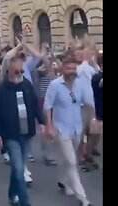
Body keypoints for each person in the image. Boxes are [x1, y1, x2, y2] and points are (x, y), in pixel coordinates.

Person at [0, 54, 46, 206]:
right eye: (17, 71)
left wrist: (42, 122)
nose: (20, 74)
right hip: (11, 135)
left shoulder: (26, 85)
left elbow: (35, 105)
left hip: (26, 133)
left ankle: (12, 193)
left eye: (21, 71)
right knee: (20, 169)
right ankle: (24, 202)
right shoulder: (1, 89)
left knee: (17, 167)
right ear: (9, 69)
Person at [44, 57, 96, 206]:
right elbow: (47, 106)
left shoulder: (80, 85)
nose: (72, 72)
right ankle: (83, 199)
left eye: (74, 69)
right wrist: (48, 126)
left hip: (77, 128)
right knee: (72, 162)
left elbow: (88, 103)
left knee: (64, 159)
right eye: (68, 69)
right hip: (61, 129)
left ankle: (63, 182)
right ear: (62, 70)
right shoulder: (55, 85)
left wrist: (92, 118)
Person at [83, 53, 103, 172]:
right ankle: (87, 159)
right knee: (94, 136)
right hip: (98, 112)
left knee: (95, 137)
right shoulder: (97, 78)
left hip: (98, 111)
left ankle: (88, 158)